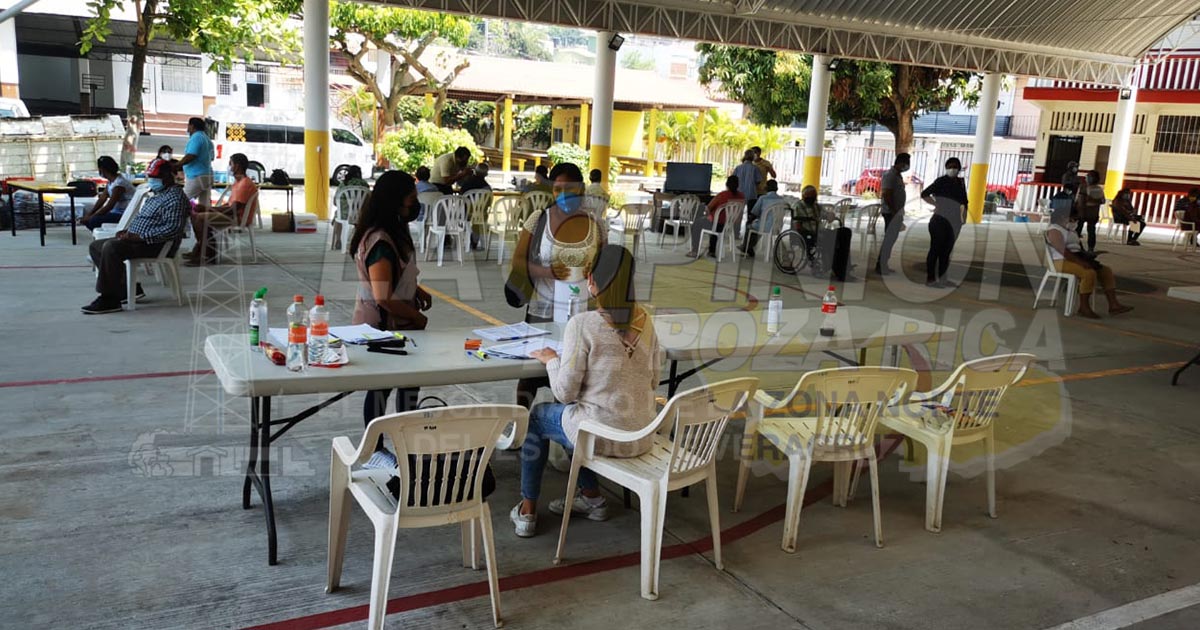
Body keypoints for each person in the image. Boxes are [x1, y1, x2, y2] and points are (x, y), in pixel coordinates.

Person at [512, 244, 662, 537]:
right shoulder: (646, 320)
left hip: (602, 437)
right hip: (641, 435)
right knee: (579, 416)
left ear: (591, 280)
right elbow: (654, 379)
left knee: (542, 416)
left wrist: (552, 360)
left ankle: (527, 510)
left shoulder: (583, 324)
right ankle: (592, 498)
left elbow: (564, 392)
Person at [347, 171, 434, 470]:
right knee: (381, 389)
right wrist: (416, 317)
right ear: (395, 201)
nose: (415, 204)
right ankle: (374, 451)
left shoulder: (393, 231)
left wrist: (416, 290)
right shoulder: (380, 241)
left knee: (408, 387)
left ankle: (405, 445)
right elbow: (383, 296)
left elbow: (394, 276)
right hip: (383, 328)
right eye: (411, 199)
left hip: (398, 325)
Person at [507, 162, 606, 411]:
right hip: (543, 310)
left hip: (582, 312)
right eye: (557, 189)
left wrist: (594, 270)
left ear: (581, 189)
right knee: (530, 373)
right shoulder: (538, 219)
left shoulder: (595, 224)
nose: (562, 195)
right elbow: (518, 261)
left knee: (572, 372)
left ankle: (562, 422)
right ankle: (522, 421)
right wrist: (546, 272)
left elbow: (605, 265)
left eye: (569, 189)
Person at [83, 158, 189, 314]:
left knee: (111, 248)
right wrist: (127, 231)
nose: (151, 180)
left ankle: (109, 298)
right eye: (150, 177)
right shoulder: (158, 194)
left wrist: (140, 237)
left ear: (167, 177)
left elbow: (172, 229)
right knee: (96, 246)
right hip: (139, 240)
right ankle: (125, 289)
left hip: (156, 244)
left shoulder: (175, 198)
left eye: (154, 177)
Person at [1045, 205, 1132, 319]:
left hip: (1075, 258)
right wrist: (1081, 262)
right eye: (1073, 219)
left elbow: (1078, 249)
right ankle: (1084, 307)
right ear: (1063, 217)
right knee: (1088, 273)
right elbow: (1064, 251)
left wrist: (1089, 255)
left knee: (1105, 271)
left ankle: (1113, 304)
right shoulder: (1054, 230)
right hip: (1060, 261)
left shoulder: (1071, 231)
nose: (1074, 222)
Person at [184, 153, 258, 266]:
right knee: (195, 215)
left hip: (236, 218)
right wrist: (208, 209)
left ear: (237, 166)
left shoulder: (244, 184)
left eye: (230, 164)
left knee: (199, 218)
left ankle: (207, 254)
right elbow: (229, 205)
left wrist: (209, 209)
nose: (229, 167)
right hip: (231, 214)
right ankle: (202, 250)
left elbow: (232, 210)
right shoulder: (238, 182)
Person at [920, 157, 969, 287]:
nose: (952, 169)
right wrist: (936, 204)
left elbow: (965, 201)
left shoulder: (960, 183)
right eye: (949, 167)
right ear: (946, 168)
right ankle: (930, 279)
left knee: (946, 251)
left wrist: (964, 217)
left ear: (959, 169)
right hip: (939, 220)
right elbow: (924, 194)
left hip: (954, 221)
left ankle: (943, 278)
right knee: (935, 249)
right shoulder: (941, 181)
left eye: (955, 167)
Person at [687, 175, 744, 258]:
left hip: (717, 224)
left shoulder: (722, 195)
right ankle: (711, 251)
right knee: (714, 223)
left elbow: (708, 208)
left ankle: (695, 250)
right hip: (729, 226)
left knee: (697, 224)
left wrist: (708, 215)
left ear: (727, 184)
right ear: (738, 185)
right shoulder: (741, 196)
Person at [875, 153, 910, 275]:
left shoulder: (897, 176)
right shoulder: (890, 175)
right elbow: (887, 194)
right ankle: (881, 265)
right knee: (889, 238)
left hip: (896, 212)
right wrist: (894, 211)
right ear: (900, 163)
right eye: (906, 163)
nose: (907, 166)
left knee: (892, 238)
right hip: (891, 212)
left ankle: (884, 264)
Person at [80, 156, 133, 230]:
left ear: (102, 169)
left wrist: (91, 217)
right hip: (116, 212)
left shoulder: (119, 184)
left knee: (93, 221)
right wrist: (90, 213)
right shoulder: (111, 181)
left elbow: (109, 206)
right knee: (89, 220)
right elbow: (102, 198)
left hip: (124, 214)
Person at [739, 179, 786, 257]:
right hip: (777, 227)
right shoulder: (782, 200)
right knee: (759, 224)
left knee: (751, 226)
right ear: (776, 189)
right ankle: (749, 247)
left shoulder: (763, 198)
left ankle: (746, 247)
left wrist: (750, 220)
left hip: (765, 227)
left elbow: (754, 212)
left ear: (766, 188)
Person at [177, 117, 214, 212]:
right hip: (207, 175)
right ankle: (205, 221)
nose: (187, 127)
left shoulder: (196, 137)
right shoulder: (207, 139)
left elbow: (191, 155)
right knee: (204, 206)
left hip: (196, 177)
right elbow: (212, 158)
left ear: (192, 126)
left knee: (179, 201)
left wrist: (177, 165)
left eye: (188, 125)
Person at [1075, 170, 1105, 252]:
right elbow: (1102, 201)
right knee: (1089, 230)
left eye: (1089, 176)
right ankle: (1088, 248)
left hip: (1086, 212)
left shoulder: (1084, 188)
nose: (1087, 178)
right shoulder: (1098, 189)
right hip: (1092, 213)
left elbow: (1078, 200)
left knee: (1080, 231)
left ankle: (1081, 247)